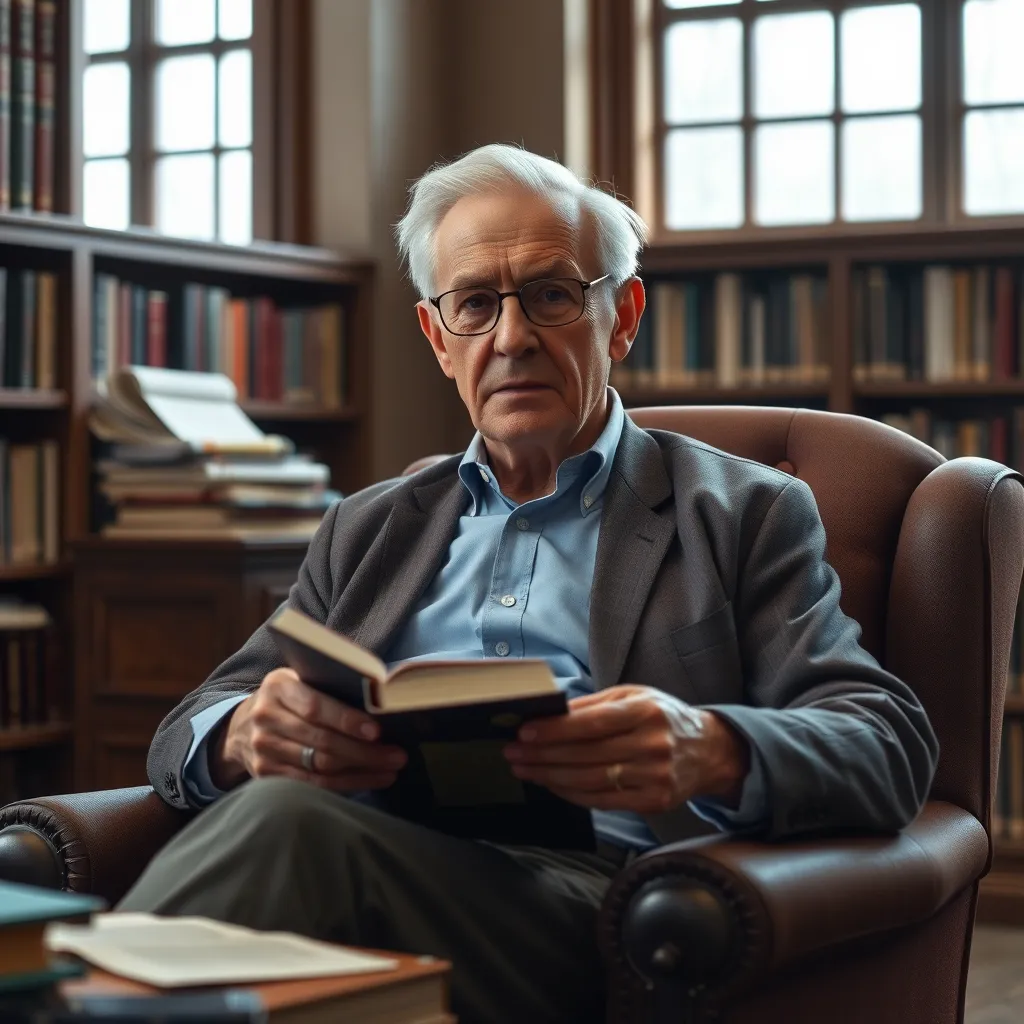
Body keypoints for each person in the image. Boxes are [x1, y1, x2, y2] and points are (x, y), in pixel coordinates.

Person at [119, 144, 939, 1024]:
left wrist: (710, 745)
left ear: (621, 316)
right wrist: (246, 731)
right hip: (358, 871)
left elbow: (886, 746)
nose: (511, 338)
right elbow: (184, 731)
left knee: (286, 828)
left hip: (597, 909)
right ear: (439, 339)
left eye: (551, 294)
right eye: (475, 304)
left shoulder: (743, 513)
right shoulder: (371, 524)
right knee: (278, 837)